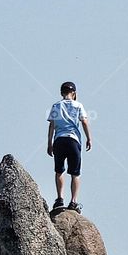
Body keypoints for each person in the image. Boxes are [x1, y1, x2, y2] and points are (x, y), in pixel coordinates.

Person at [47, 81, 92, 213]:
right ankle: (73, 201)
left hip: (59, 140)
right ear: (74, 93)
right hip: (73, 140)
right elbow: (84, 121)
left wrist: (49, 143)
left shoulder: (56, 105)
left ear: (62, 93)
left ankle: (60, 199)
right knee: (75, 173)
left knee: (59, 171)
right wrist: (89, 138)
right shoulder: (78, 105)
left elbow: (51, 125)